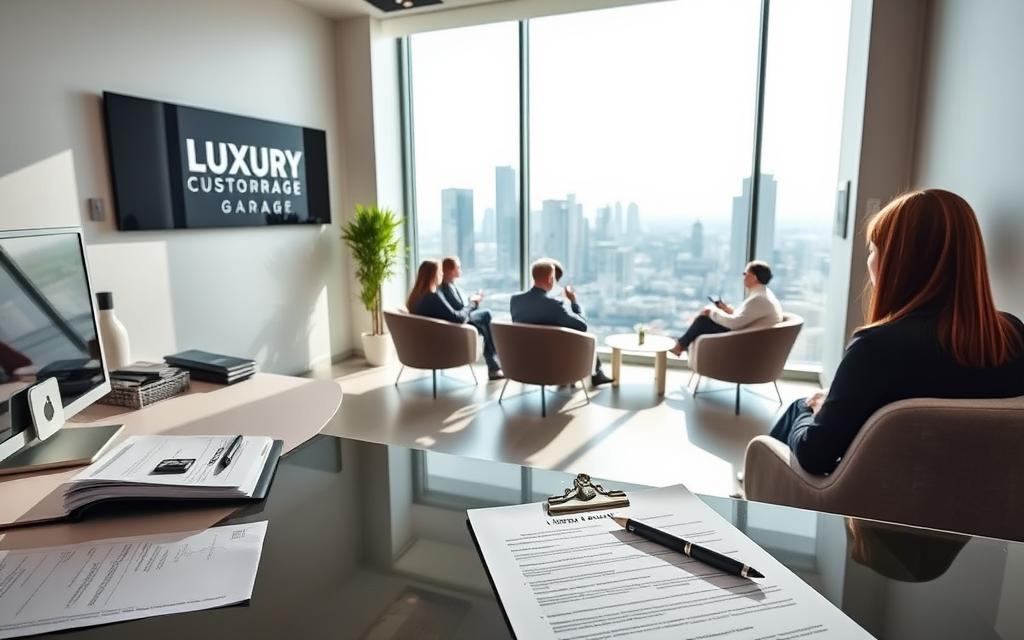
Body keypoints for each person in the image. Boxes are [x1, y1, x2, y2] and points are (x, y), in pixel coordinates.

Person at [768, 189, 1024, 475]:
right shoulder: (1013, 334)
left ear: (897, 262)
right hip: (981, 507)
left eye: (873, 249)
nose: (871, 260)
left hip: (877, 502)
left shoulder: (877, 348)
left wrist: (813, 408)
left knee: (798, 408)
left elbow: (816, 456)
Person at [509, 258, 613, 387]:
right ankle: (597, 374)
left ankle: (595, 374)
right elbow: (582, 326)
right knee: (582, 336)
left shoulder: (515, 300)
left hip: (522, 361)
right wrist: (574, 302)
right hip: (553, 362)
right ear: (550, 279)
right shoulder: (555, 305)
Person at [406, 260, 504, 380]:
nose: (442, 275)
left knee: (484, 319)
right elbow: (458, 319)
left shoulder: (415, 296)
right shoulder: (433, 297)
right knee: (485, 317)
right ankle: (494, 366)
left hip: (427, 341)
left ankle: (494, 365)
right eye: (440, 272)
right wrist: (472, 303)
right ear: (434, 275)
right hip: (445, 339)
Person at [669, 260, 783, 356]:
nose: (743, 277)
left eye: (745, 274)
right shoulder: (764, 295)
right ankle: (683, 346)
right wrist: (727, 310)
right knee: (703, 323)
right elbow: (745, 317)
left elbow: (734, 323)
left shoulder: (759, 299)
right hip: (749, 337)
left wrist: (711, 312)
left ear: (754, 277)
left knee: (702, 321)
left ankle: (680, 346)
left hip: (743, 342)